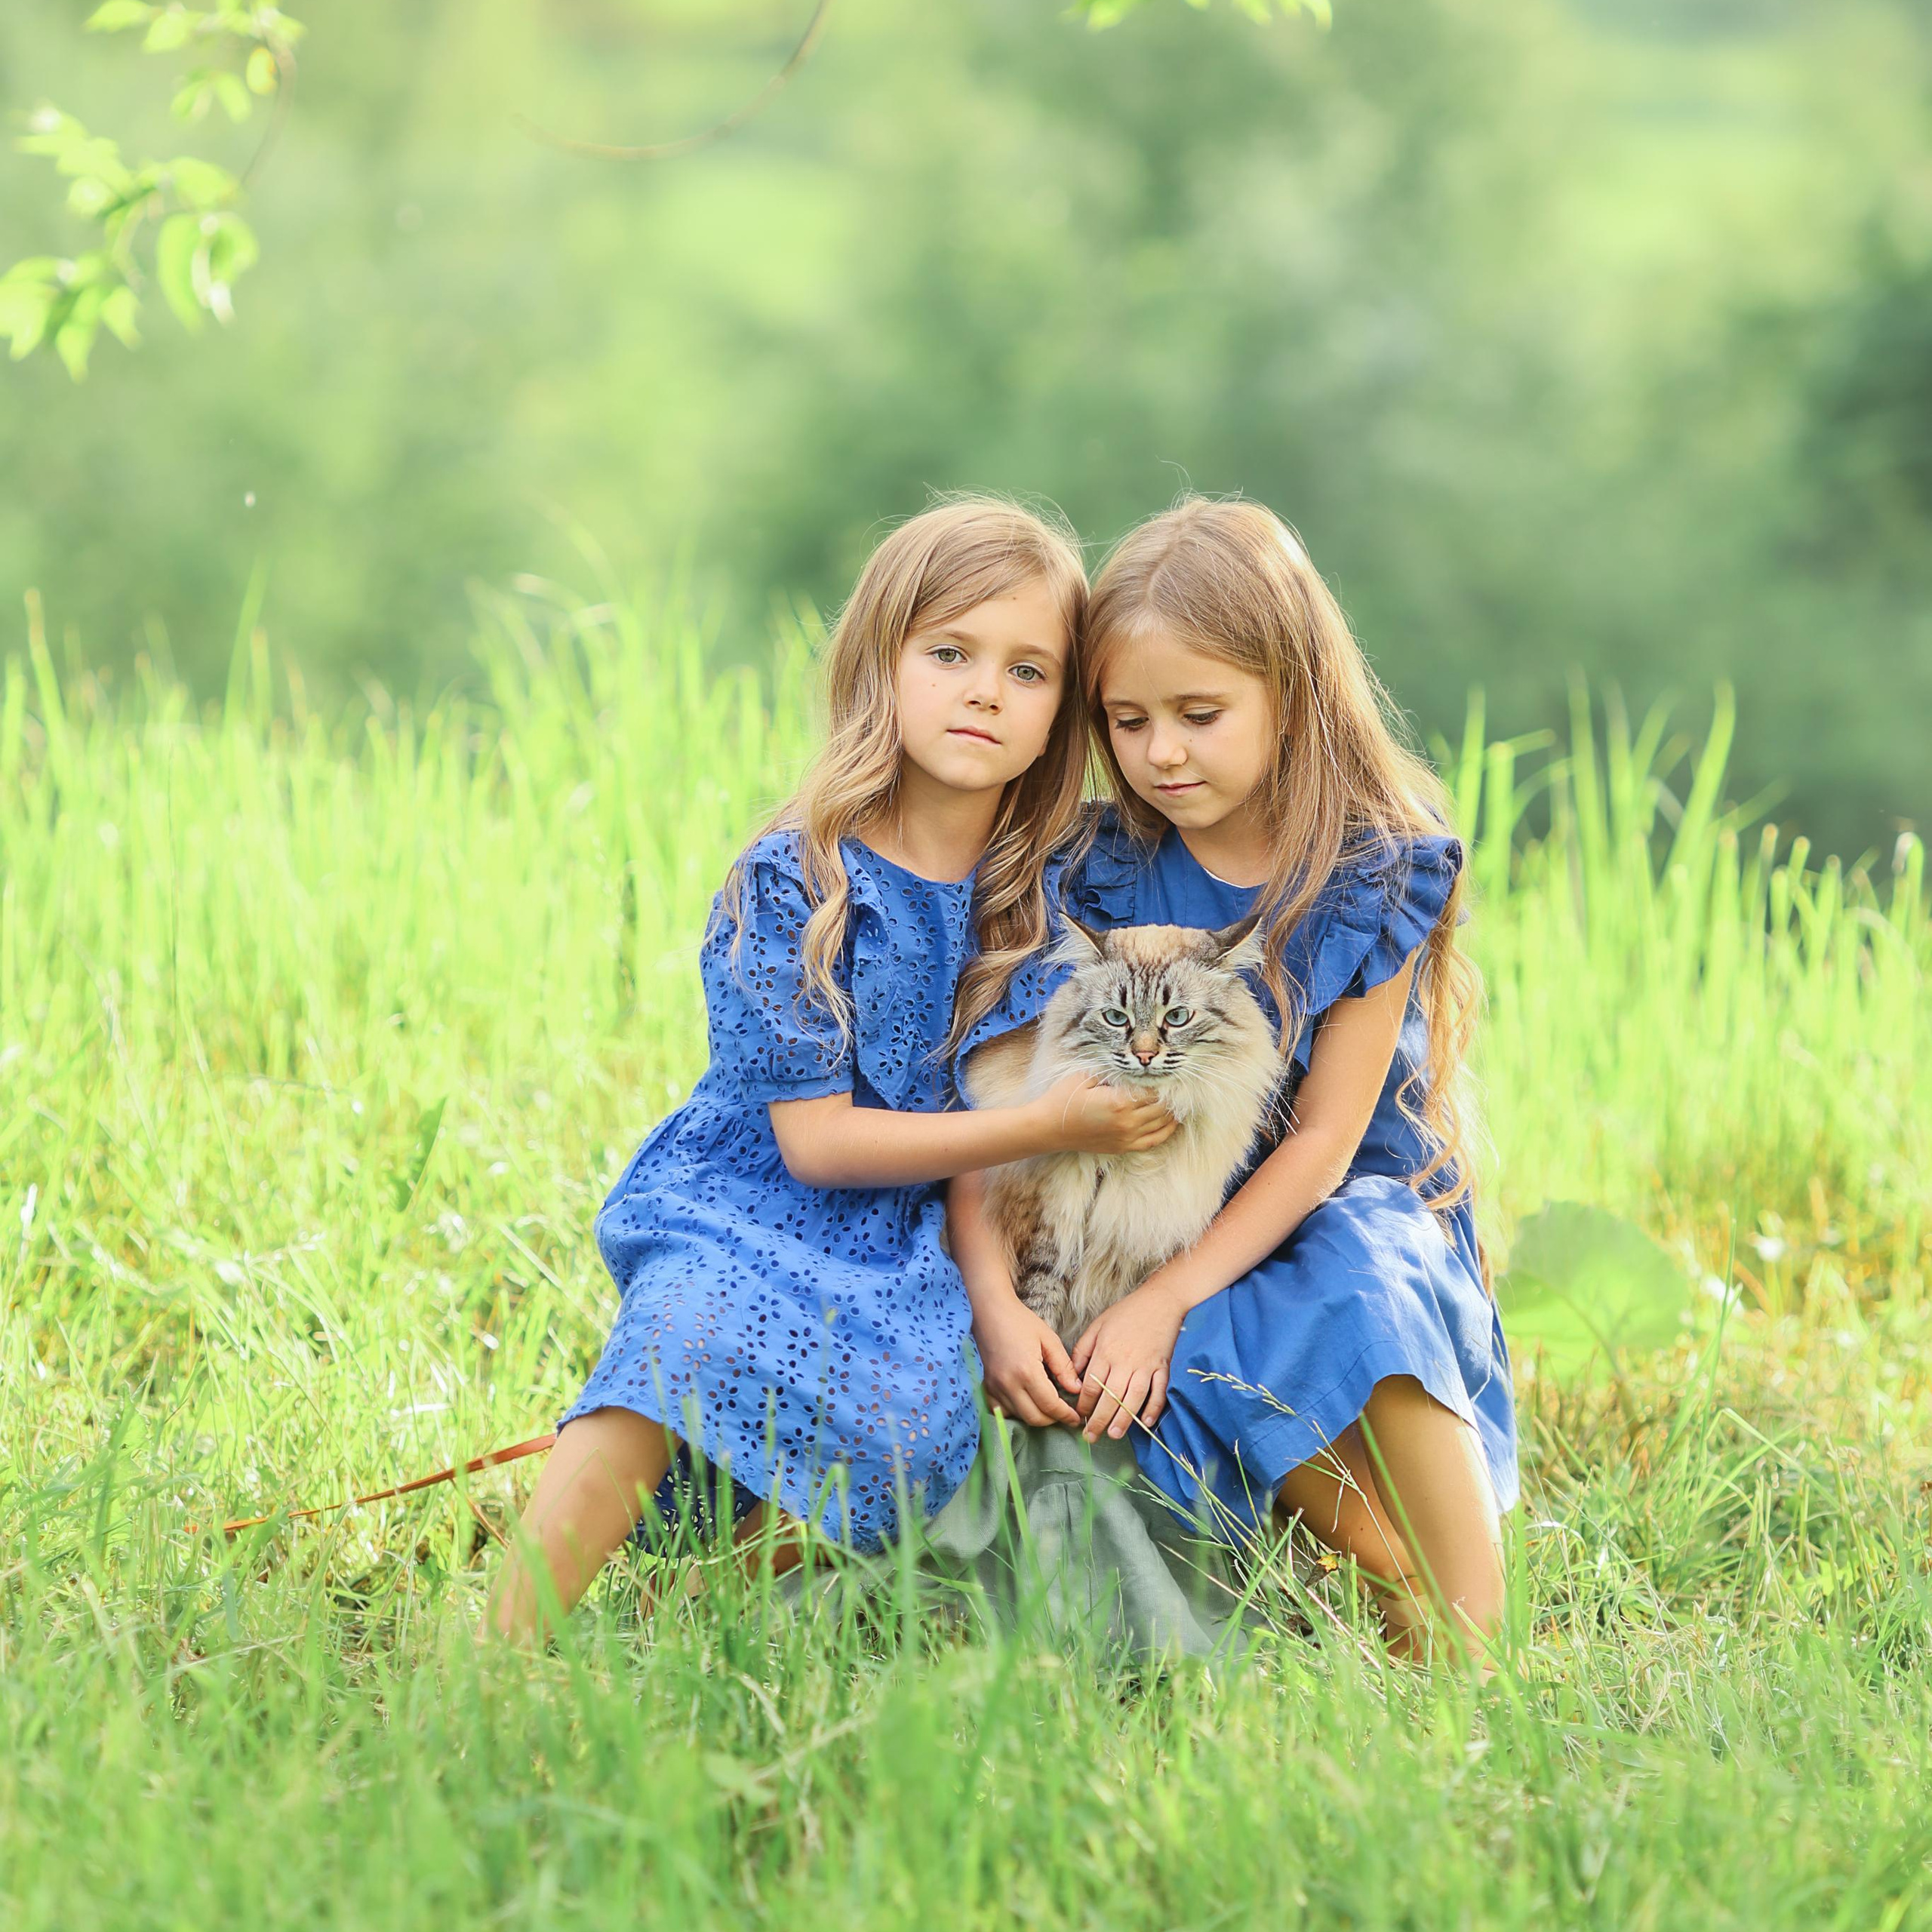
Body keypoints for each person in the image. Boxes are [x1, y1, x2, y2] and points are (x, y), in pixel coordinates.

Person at [488, 497, 1177, 1644]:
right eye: (949, 654)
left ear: (1065, 710)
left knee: (917, 1418)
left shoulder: (1052, 891)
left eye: (1029, 670)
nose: (984, 692)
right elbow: (817, 1142)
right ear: (882, 663)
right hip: (759, 1198)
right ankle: (498, 1643)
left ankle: (718, 1604)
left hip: (928, 1228)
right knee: (685, 1335)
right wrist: (1052, 1121)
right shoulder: (794, 883)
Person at [950, 497, 1516, 1660]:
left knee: (1347, 1270)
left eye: (1200, 715)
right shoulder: (1100, 868)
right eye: (1130, 719)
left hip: (1336, 1206)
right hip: (1162, 1213)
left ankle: (1478, 1628)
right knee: (1147, 1317)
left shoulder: (1366, 866)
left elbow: (1322, 1145)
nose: (1162, 752)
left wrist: (1166, 1300)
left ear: (1291, 695)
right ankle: (1385, 1576)